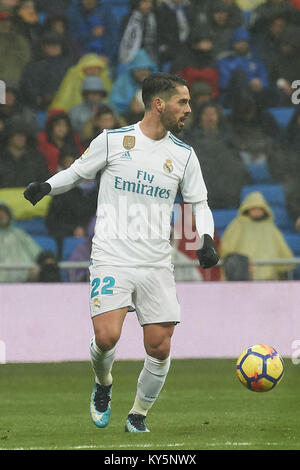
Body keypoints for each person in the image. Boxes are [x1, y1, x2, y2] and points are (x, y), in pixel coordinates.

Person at [23, 72, 219, 433]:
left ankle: (138, 415)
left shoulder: (184, 156)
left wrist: (205, 238)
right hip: (112, 254)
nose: (189, 109)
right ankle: (104, 383)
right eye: (183, 102)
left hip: (156, 262)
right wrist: (46, 186)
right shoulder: (114, 141)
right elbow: (77, 172)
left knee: (159, 347)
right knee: (106, 338)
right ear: (159, 104)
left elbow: (200, 203)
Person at [184, 101, 250, 209]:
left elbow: (238, 167)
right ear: (200, 117)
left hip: (227, 190)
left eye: (213, 114)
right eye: (206, 114)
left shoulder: (229, 139)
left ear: (218, 117)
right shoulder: (190, 139)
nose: (210, 118)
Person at [219, 191, 294, 280]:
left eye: (259, 209)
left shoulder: (270, 227)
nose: (257, 211)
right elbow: (226, 249)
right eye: (254, 209)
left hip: (269, 279)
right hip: (242, 278)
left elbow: (283, 252)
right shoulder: (238, 225)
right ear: (247, 209)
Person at [0, 117, 49, 188]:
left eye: (24, 134)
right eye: (17, 134)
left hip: (30, 198)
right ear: (9, 136)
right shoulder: (1, 158)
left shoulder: (37, 158)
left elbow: (44, 183)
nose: (22, 137)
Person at [0, 201, 42, 283]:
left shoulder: (19, 234)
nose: (1, 215)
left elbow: (36, 252)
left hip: (24, 276)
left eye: (3, 212)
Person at [118, 0, 158, 66]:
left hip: (152, 57)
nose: (148, 5)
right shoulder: (128, 19)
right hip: (132, 57)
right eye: (145, 2)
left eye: (150, 2)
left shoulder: (157, 18)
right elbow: (122, 41)